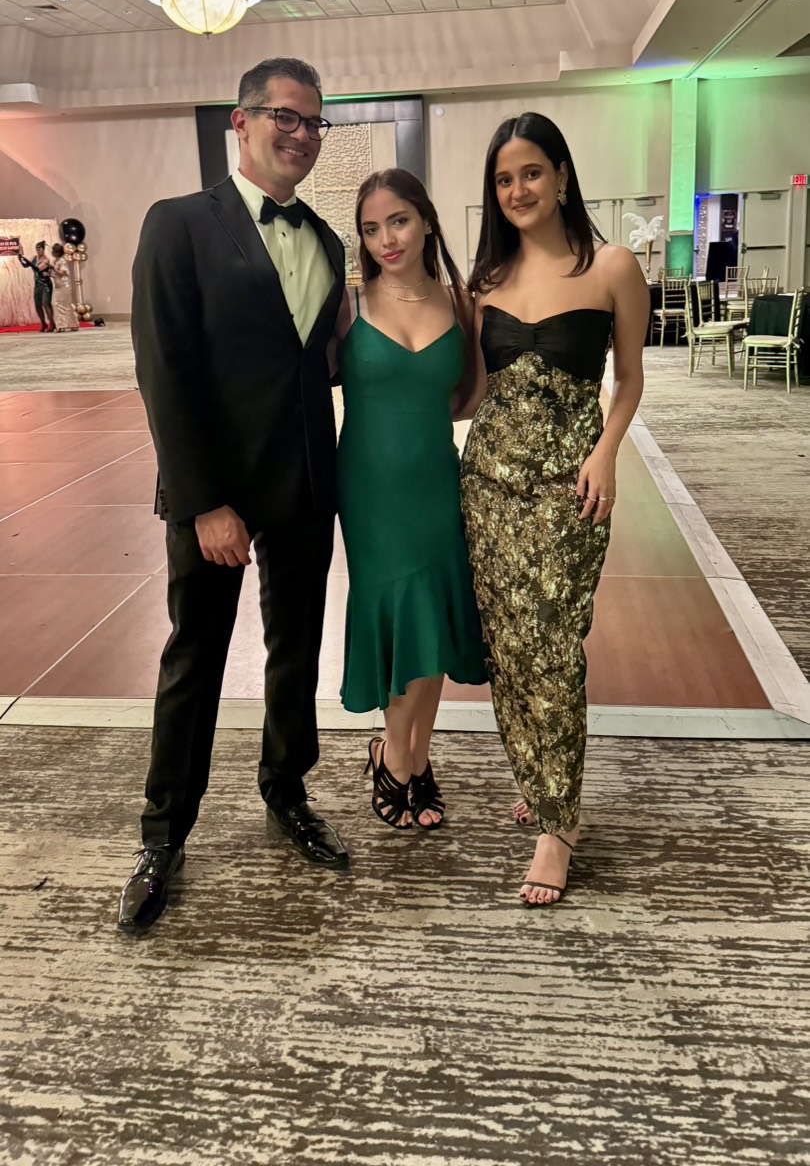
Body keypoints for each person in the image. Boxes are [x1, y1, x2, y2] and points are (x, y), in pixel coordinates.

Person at [121, 57, 348, 933]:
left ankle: (286, 792)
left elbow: (315, 368)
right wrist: (204, 500)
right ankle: (162, 834)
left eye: (312, 121)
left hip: (302, 484)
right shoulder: (178, 225)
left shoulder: (327, 242)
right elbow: (164, 372)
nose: (299, 133)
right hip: (215, 492)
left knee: (296, 653)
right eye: (283, 116)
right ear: (241, 124)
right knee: (196, 659)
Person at [460, 113, 648, 908]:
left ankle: (557, 824)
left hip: (569, 488)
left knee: (554, 646)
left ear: (563, 176)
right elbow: (471, 393)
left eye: (531, 172)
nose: (518, 190)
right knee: (508, 648)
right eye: (504, 180)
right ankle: (540, 779)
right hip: (490, 485)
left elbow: (631, 379)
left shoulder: (612, 267)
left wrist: (605, 451)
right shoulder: (486, 285)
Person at [336, 168, 487, 830]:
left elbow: (469, 395)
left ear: (425, 219)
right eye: (371, 229)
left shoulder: (463, 302)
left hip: (434, 479)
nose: (385, 239)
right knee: (401, 615)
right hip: (369, 489)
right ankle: (397, 759)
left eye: (397, 221)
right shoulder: (347, 302)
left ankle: (410, 758)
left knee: (434, 618)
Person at [17, 242, 55, 331]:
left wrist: (25, 259)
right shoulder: (34, 258)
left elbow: (38, 269)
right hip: (37, 284)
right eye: (37, 249)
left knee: (46, 304)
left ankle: (52, 324)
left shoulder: (46, 260)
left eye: (40, 249)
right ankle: (43, 324)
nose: (38, 251)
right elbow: (25, 265)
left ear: (43, 249)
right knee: (37, 305)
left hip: (46, 284)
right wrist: (20, 257)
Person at [50, 242, 78, 331]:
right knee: (56, 304)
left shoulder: (62, 261)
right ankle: (61, 324)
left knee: (66, 305)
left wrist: (53, 268)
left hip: (64, 286)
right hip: (58, 286)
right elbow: (56, 274)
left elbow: (62, 273)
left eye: (53, 251)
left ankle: (72, 324)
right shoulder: (56, 261)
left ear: (57, 252)